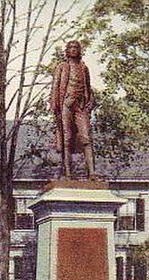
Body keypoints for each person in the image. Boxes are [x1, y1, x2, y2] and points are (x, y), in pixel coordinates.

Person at [50, 40, 97, 179]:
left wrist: (91, 102)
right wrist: (55, 107)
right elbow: (55, 87)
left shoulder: (84, 68)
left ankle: (92, 173)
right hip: (66, 104)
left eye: (76, 47)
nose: (73, 50)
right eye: (70, 48)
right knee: (67, 138)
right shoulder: (62, 67)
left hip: (81, 106)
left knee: (87, 138)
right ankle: (68, 173)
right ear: (67, 51)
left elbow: (89, 88)